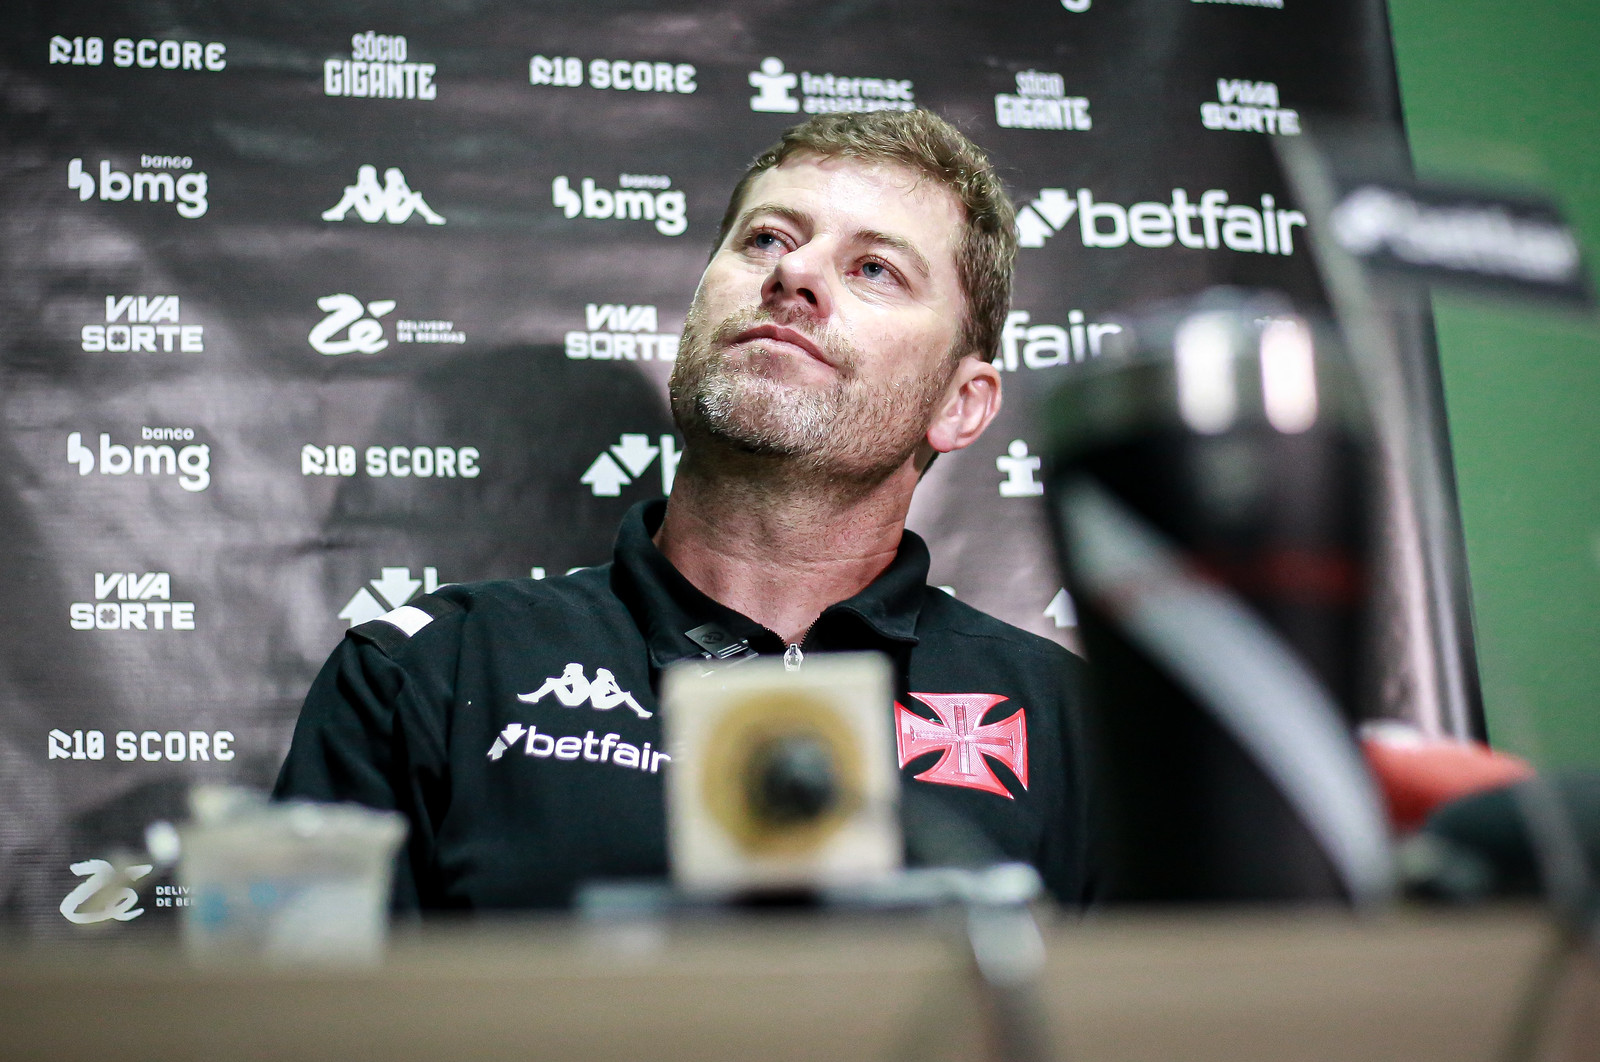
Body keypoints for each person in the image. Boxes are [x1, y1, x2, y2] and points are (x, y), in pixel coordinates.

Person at [274, 109, 1092, 908]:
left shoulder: (1075, 729)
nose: (794, 273)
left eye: (875, 268)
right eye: (767, 239)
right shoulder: (428, 673)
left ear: (961, 403)